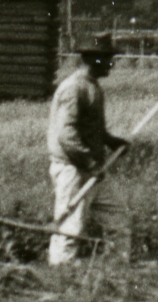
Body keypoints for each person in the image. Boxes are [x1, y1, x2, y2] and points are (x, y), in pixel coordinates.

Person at [47, 33, 129, 265]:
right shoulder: (74, 88)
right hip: (74, 169)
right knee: (70, 227)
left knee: (118, 218)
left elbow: (93, 131)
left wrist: (112, 142)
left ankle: (117, 270)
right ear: (94, 60)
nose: (112, 63)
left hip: (92, 169)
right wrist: (90, 164)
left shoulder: (93, 87)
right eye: (108, 58)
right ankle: (60, 276)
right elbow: (67, 135)